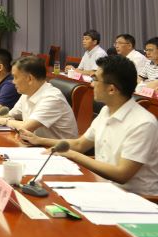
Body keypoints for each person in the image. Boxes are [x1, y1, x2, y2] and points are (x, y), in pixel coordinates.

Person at [21, 55, 158, 195]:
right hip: (103, 187)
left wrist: (72, 155)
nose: (92, 84)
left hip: (135, 199)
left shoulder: (143, 123)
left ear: (111, 89)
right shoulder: (106, 111)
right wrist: (39, 140)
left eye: (95, 79)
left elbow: (122, 174)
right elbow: (80, 144)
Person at [0, 55, 78, 139]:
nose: (13, 82)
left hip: (58, 147)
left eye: (15, 77)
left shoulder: (52, 98)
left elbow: (25, 127)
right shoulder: (27, 93)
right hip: (36, 143)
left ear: (29, 79)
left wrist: (6, 121)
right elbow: (9, 115)